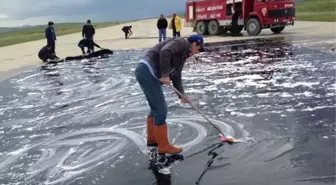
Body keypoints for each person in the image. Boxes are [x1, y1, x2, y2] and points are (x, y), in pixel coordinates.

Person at [134, 34, 205, 155]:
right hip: (147, 69)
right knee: (161, 110)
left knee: (156, 109)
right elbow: (165, 51)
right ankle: (164, 146)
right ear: (194, 44)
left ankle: (152, 140)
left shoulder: (183, 56)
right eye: (199, 49)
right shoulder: (181, 43)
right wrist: (166, 75)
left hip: (146, 71)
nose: (197, 52)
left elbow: (177, 76)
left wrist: (182, 95)